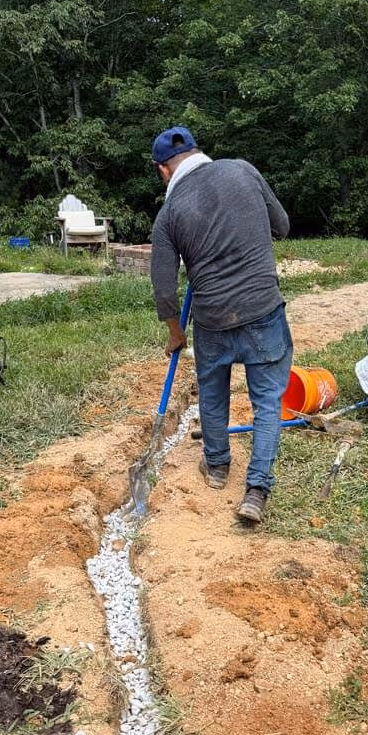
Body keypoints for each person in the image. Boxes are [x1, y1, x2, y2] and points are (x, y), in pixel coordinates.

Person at [149, 125, 292, 524]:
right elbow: (281, 225)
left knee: (212, 392)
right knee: (266, 402)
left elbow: (163, 287)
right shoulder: (243, 170)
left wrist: (175, 332)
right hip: (262, 309)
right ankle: (257, 490)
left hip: (211, 318)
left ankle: (216, 468)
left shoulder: (169, 213)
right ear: (198, 151)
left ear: (163, 170)